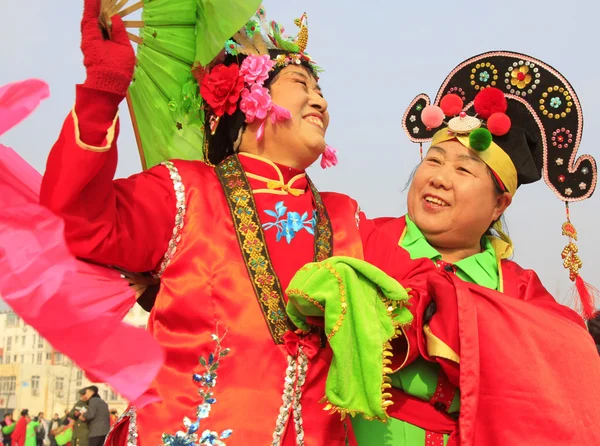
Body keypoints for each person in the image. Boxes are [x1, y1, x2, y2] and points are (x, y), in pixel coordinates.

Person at [29, 1, 363, 445]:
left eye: (320, 89)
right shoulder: (183, 192)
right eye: (300, 83)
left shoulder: (348, 217)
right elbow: (76, 222)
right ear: (249, 98)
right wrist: (103, 90)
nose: (319, 99)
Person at [285, 51, 600, 445]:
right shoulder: (358, 239)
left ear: (499, 203)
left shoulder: (518, 289)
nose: (439, 179)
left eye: (463, 170)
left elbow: (566, 367)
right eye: (434, 161)